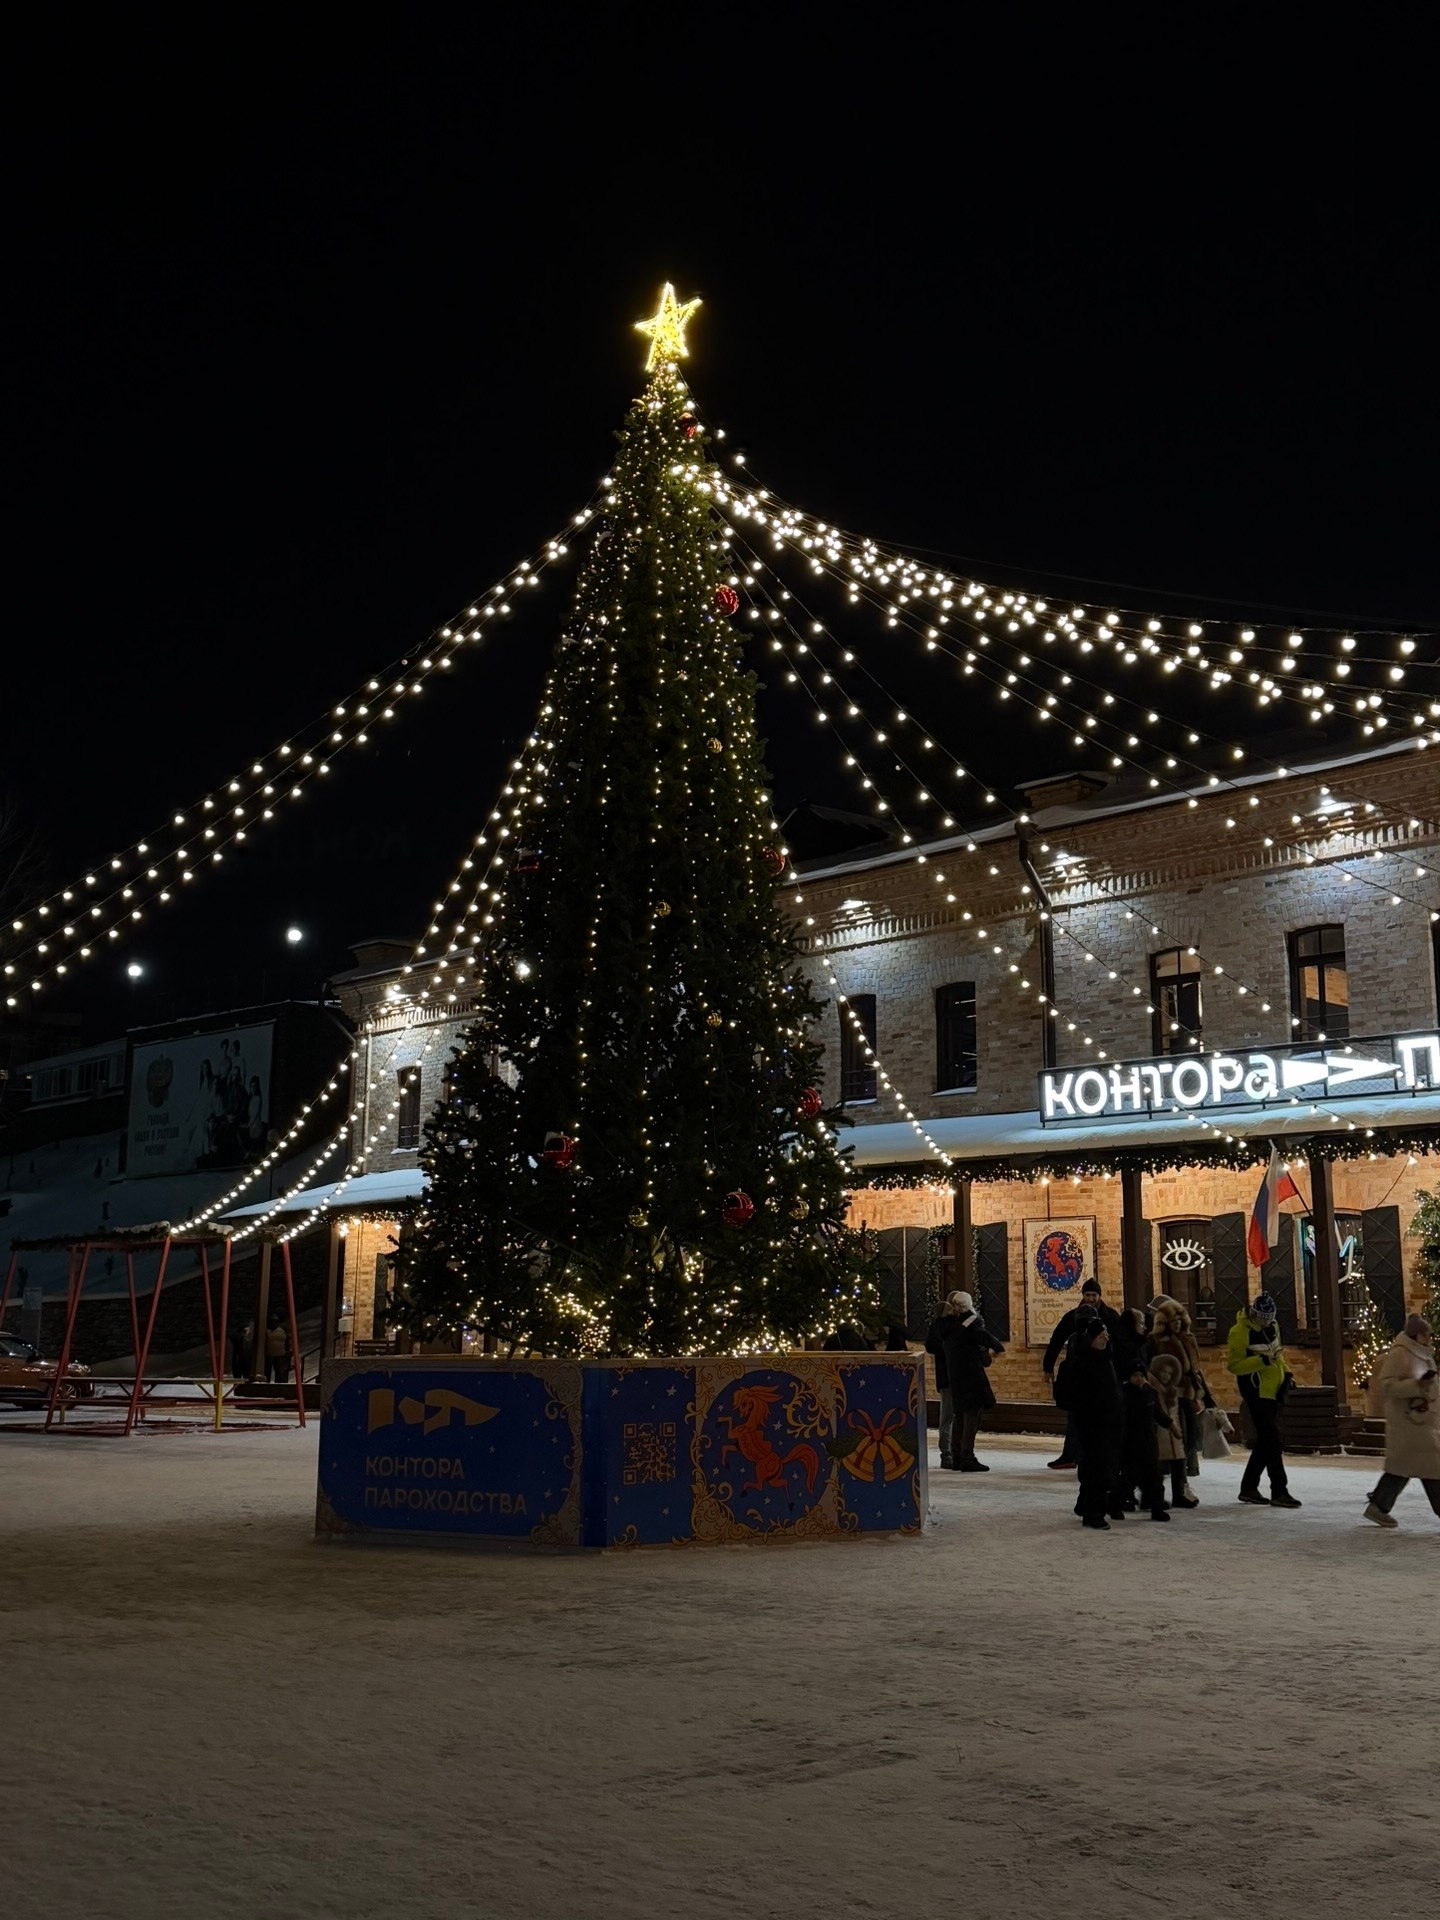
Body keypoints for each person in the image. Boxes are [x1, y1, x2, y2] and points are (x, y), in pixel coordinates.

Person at [1363, 1314, 1440, 1527]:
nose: (1430, 1338)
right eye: (1427, 1334)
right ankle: (1378, 1506)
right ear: (1418, 1335)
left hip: (1421, 1421)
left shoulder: (1423, 1354)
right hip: (1409, 1423)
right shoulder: (1400, 1354)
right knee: (1431, 1469)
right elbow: (1387, 1385)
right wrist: (1417, 1387)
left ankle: (1378, 1506)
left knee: (1403, 1470)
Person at [1226, 1292, 1301, 1508]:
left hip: (1274, 1390)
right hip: (1256, 1391)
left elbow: (1279, 1355)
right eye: (1263, 1318)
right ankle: (1279, 1490)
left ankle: (1249, 1487)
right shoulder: (1240, 1332)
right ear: (1254, 1314)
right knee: (1273, 1441)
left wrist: (1286, 1373)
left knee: (1265, 1442)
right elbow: (1235, 1365)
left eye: (1270, 1317)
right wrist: (1262, 1361)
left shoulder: (1272, 1326)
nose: (1267, 1321)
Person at [1043, 1279, 1121, 1469]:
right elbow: (1057, 1339)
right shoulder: (1073, 1317)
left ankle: (1096, 1456)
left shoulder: (1110, 1317)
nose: (1090, 1298)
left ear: (1099, 1296)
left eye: (1094, 1295)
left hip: (1103, 1375)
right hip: (1079, 1376)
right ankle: (1072, 1455)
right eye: (1088, 1295)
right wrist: (1048, 1366)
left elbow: (1119, 1344)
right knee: (1076, 1417)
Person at [1060, 1319, 1125, 1529]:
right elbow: (1080, 1397)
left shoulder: (1106, 1358)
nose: (1106, 1337)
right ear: (1090, 1339)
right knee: (1096, 1470)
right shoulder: (1083, 1363)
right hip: (1092, 1424)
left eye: (1106, 1333)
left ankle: (1087, 1506)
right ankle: (1093, 1514)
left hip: (1107, 1423)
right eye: (1101, 1335)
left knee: (1099, 1468)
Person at [1149, 1293, 1213, 1501]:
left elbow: (1196, 1369)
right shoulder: (1158, 1341)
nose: (1176, 1324)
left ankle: (1180, 1486)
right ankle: (1168, 1489)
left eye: (1179, 1320)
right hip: (1170, 1398)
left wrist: (1206, 1395)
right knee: (1175, 1444)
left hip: (1190, 1395)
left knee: (1189, 1440)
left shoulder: (1188, 1338)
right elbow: (1157, 1370)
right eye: (1172, 1321)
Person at [935, 1290, 1005, 1472]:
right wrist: (997, 1347)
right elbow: (986, 1338)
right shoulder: (968, 1326)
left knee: (959, 1416)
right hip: (971, 1377)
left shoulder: (948, 1327)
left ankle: (956, 1455)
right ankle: (967, 1456)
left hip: (955, 1377)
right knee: (972, 1416)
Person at [1119, 1360, 1171, 1521]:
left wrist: (1170, 1425)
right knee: (1129, 1475)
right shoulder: (1124, 1393)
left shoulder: (1149, 1393)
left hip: (1148, 1440)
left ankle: (1155, 1506)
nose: (1139, 1379)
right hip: (1129, 1441)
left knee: (1154, 1475)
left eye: (1141, 1375)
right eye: (1135, 1375)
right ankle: (1119, 1501)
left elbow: (1157, 1412)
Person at [1148, 1354, 1198, 1509]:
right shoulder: (1151, 1389)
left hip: (1173, 1434)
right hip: (1159, 1433)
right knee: (1155, 1469)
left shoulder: (1172, 1391)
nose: (1166, 1376)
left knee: (1178, 1464)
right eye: (1163, 1372)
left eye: (1170, 1373)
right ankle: (1152, 1498)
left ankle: (1179, 1495)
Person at [924, 1294, 961, 1470]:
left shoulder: (938, 1329)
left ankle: (949, 1452)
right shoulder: (949, 1328)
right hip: (951, 1376)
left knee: (948, 1415)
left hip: (946, 1377)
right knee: (949, 1416)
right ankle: (948, 1452)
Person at [264, 1317, 290, 1385]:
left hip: (271, 1354)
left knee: (269, 1371)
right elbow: (287, 1342)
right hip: (279, 1354)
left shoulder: (266, 1331)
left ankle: (267, 1383)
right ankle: (278, 1383)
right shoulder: (282, 1331)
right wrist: (287, 1350)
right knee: (278, 1371)